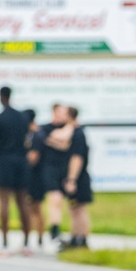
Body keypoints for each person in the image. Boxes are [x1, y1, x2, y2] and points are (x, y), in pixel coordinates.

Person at [0, 85, 32, 256]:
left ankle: (5, 244)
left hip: (5, 161)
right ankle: (27, 243)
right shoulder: (22, 117)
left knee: (4, 202)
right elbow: (27, 139)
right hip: (21, 161)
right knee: (23, 203)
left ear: (0, 97)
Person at [37, 104, 74, 251]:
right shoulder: (45, 128)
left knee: (62, 202)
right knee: (55, 198)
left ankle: (57, 228)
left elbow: (65, 144)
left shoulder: (69, 127)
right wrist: (57, 142)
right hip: (49, 168)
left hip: (63, 169)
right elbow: (50, 140)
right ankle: (54, 230)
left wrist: (54, 142)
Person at [61, 106, 92, 249]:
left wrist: (72, 179)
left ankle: (82, 239)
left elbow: (77, 158)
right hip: (78, 177)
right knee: (74, 209)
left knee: (79, 210)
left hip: (78, 178)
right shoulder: (77, 132)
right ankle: (75, 237)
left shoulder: (78, 134)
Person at [23, 109, 47, 250]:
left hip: (36, 176)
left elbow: (33, 157)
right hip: (32, 176)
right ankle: (33, 237)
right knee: (31, 208)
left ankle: (38, 237)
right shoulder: (31, 135)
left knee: (36, 208)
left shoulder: (37, 135)